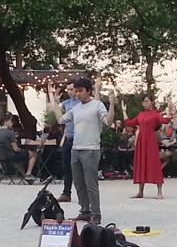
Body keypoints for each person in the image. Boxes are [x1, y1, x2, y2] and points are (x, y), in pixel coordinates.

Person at [49, 78, 115, 224]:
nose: (77, 94)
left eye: (80, 91)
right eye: (76, 91)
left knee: (91, 184)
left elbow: (108, 122)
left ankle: (96, 214)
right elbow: (61, 120)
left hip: (90, 149)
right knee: (79, 183)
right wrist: (55, 103)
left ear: (88, 91)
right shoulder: (76, 108)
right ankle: (84, 211)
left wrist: (111, 104)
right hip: (76, 148)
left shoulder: (97, 105)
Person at [54, 77, 101, 203]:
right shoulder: (67, 104)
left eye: (73, 89)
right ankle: (67, 193)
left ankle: (89, 202)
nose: (71, 92)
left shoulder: (84, 103)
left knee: (85, 173)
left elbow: (96, 106)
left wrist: (97, 89)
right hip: (70, 139)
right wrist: (54, 100)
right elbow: (60, 118)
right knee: (67, 167)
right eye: (69, 90)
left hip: (84, 141)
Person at [120, 94, 170, 200]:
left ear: (152, 102)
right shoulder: (141, 115)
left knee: (154, 163)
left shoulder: (156, 114)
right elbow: (129, 123)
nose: (145, 104)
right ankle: (140, 191)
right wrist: (124, 111)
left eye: (147, 101)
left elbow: (166, 121)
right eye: (144, 102)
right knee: (140, 164)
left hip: (151, 140)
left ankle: (159, 192)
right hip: (141, 141)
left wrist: (169, 110)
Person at [0, 115, 38, 182]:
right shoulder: (9, 133)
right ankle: (28, 173)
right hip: (11, 156)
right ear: (6, 123)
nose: (12, 124)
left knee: (17, 161)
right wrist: (21, 150)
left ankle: (25, 176)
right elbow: (16, 149)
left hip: (2, 157)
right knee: (33, 154)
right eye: (11, 122)